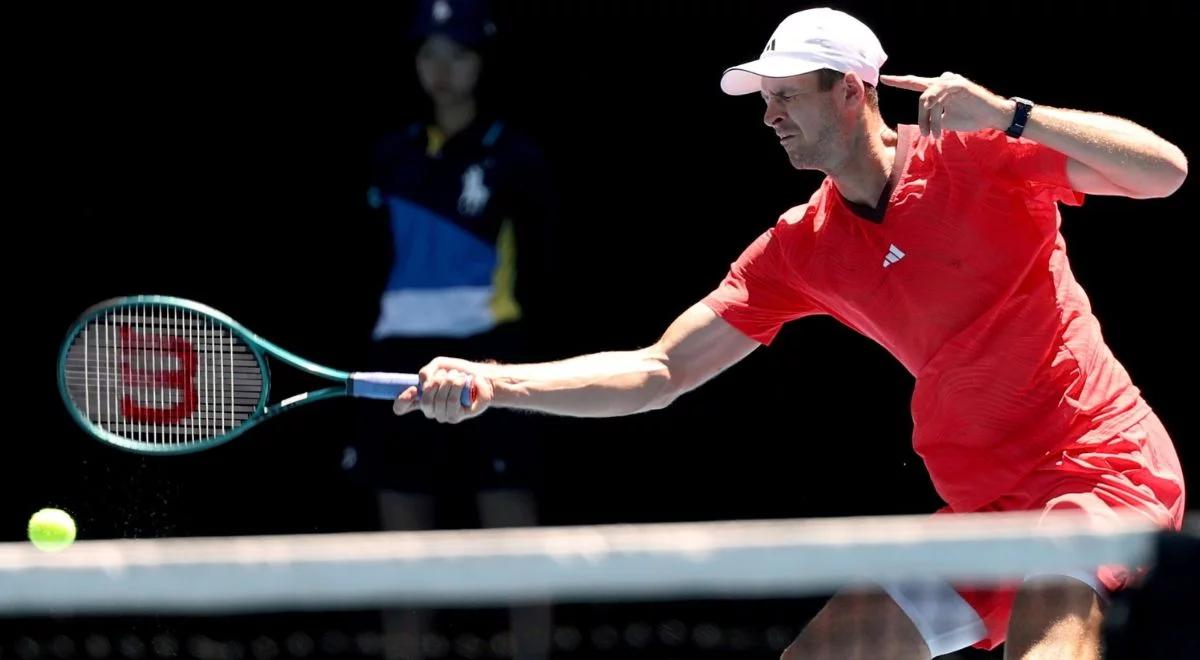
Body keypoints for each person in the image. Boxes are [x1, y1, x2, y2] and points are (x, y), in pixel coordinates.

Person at [391, 6, 1187, 660]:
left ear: (850, 92)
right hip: (985, 503)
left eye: (786, 96)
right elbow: (661, 370)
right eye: (763, 99)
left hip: (1098, 462)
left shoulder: (982, 157)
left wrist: (1016, 115)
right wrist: (498, 383)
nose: (769, 116)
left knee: (1052, 593)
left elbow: (1165, 171)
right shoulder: (802, 249)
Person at [342, 1, 556, 658]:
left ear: (481, 63)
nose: (442, 68)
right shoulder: (387, 154)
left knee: (510, 531)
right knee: (402, 543)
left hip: (488, 349)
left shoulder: (515, 155)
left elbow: (545, 257)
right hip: (394, 352)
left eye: (457, 53)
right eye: (429, 52)